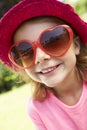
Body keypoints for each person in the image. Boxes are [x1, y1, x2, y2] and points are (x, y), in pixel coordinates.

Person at [0, 0, 87, 129]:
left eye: (53, 40)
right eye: (26, 51)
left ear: (76, 45)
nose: (40, 58)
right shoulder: (36, 110)